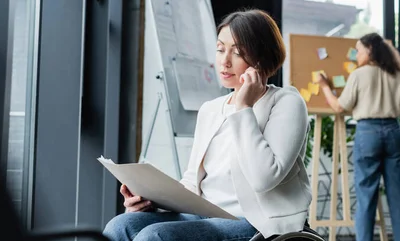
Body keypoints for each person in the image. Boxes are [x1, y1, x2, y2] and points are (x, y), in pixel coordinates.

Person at [103, 9, 312, 241]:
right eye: (220, 49)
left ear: (261, 58)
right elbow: (193, 183)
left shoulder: (286, 103)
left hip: (257, 222)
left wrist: (244, 108)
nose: (225, 61)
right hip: (203, 214)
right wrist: (151, 202)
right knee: (120, 225)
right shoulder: (210, 109)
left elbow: (264, 178)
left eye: (238, 52)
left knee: (156, 236)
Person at [317, 33, 400, 241]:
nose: (356, 55)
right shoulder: (396, 73)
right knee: (399, 201)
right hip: (394, 133)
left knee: (366, 198)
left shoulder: (359, 75)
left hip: (367, 133)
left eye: (359, 50)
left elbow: (340, 107)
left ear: (370, 50)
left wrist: (325, 87)